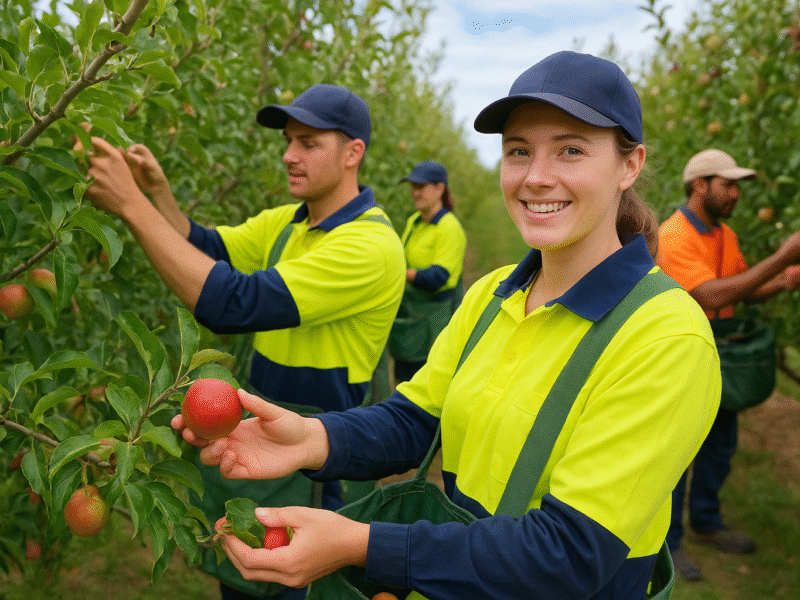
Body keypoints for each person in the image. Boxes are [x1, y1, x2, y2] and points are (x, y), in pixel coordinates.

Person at [173, 51, 721, 600]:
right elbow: (416, 420)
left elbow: (570, 555)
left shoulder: (665, 337)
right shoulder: (494, 294)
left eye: (571, 150)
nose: (536, 177)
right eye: (518, 151)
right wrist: (311, 437)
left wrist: (362, 545)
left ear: (630, 165)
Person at [83, 84, 406, 600]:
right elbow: (209, 249)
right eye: (287, 141)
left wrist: (132, 206)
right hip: (262, 440)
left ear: (353, 153)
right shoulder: (288, 224)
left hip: (320, 460)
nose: (288, 155)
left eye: (307, 142)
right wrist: (158, 196)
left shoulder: (369, 246)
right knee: (244, 575)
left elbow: (233, 303)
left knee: (299, 587)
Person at [657, 148, 800, 581]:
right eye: (729, 184)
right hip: (680, 353)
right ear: (700, 185)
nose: (736, 194)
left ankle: (706, 520)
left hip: (719, 351)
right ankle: (668, 542)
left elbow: (741, 289)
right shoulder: (674, 236)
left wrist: (781, 280)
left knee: (720, 443)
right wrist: (782, 256)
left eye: (738, 186)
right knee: (678, 450)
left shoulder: (724, 235)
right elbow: (711, 295)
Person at [391, 160, 467, 382]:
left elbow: (438, 277)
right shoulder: (414, 222)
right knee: (403, 380)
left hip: (432, 321)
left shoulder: (449, 227)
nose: (415, 193)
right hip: (410, 317)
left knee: (426, 382)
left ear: (439, 189)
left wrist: (403, 274)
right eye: (413, 187)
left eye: (421, 187)